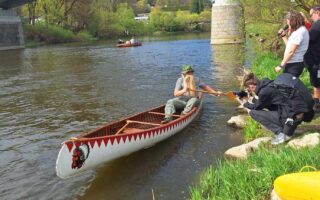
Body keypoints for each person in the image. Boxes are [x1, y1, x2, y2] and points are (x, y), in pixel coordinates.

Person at [239, 73, 314, 145]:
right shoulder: (269, 84)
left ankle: (279, 132)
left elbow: (256, 107)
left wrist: (245, 103)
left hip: (288, 117)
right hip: (293, 113)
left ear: (251, 85)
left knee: (253, 113)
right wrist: (252, 99)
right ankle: (285, 128)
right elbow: (265, 101)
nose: (248, 90)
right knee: (268, 107)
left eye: (247, 88)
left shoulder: (263, 92)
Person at [276, 12, 309, 77]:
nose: (287, 23)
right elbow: (289, 47)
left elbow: (291, 52)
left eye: (288, 21)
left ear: (293, 21)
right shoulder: (300, 30)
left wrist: (281, 65)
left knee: (286, 85)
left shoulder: (298, 33)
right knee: (286, 84)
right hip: (293, 63)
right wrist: (284, 36)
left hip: (294, 64)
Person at [304, 5, 320, 112]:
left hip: (316, 61)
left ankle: (317, 104)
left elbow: (307, 39)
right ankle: (317, 103)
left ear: (318, 12)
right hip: (316, 60)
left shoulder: (317, 25)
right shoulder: (316, 25)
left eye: (311, 15)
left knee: (316, 81)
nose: (311, 17)